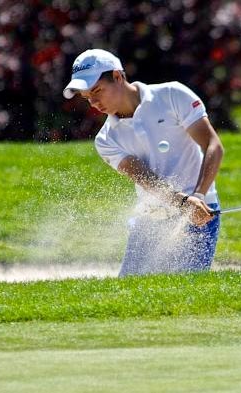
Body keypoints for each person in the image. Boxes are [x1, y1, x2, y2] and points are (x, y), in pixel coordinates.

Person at [62, 49, 224, 276]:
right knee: (129, 296)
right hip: (150, 220)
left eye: (97, 90)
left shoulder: (172, 95)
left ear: (118, 76)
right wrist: (182, 202)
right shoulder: (106, 140)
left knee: (185, 296)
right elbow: (145, 178)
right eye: (87, 97)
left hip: (199, 215)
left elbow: (213, 145)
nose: (94, 103)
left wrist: (197, 197)